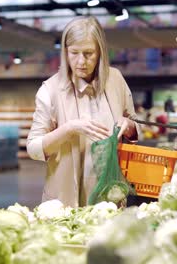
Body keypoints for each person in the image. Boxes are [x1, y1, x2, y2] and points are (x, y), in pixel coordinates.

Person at [27, 16, 140, 207]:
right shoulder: (50, 90)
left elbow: (136, 125)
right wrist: (69, 129)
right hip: (64, 200)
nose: (81, 61)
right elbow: (33, 148)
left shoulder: (115, 80)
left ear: (101, 53)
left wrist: (129, 126)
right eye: (74, 53)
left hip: (111, 199)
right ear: (65, 52)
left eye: (89, 53)